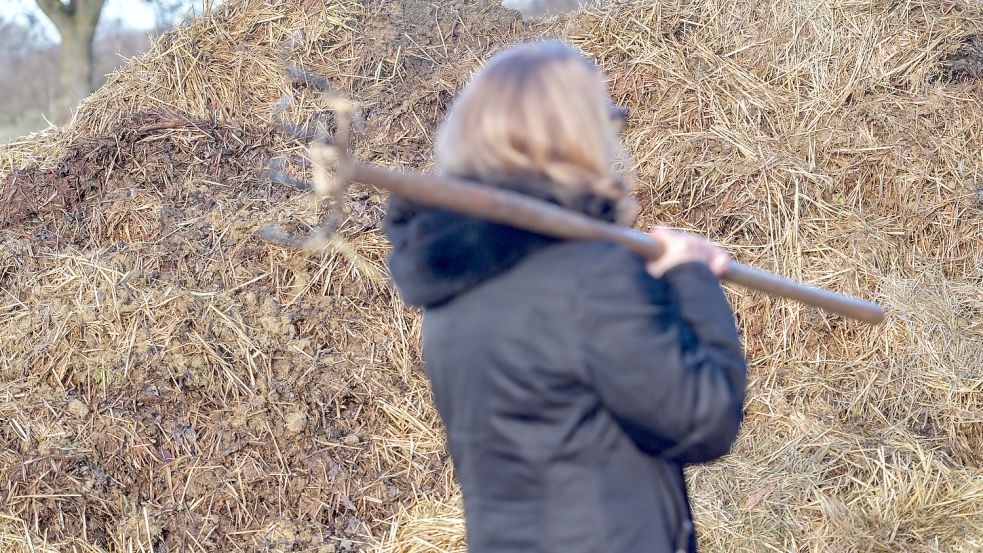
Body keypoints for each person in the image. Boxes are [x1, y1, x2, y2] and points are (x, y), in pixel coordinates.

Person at [383, 40, 746, 553]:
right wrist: (691, 277)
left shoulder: (452, 288)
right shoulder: (589, 280)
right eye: (605, 121)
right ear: (575, 135)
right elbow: (704, 419)